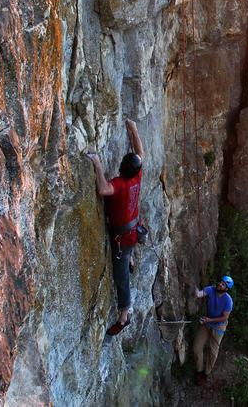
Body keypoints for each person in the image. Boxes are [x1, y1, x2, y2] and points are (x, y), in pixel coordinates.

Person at [86, 118, 145, 336]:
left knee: (121, 278)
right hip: (132, 230)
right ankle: (130, 259)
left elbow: (103, 190)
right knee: (127, 253)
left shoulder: (120, 184)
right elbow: (140, 153)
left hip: (123, 237)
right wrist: (133, 129)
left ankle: (124, 316)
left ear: (122, 168)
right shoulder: (137, 176)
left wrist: (97, 163)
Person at [192, 276, 234, 385]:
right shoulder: (211, 289)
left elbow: (224, 317)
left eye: (223, 284)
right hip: (207, 322)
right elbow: (200, 294)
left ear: (226, 289)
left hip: (219, 326)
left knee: (213, 352)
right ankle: (199, 370)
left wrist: (209, 320)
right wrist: (195, 289)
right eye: (220, 282)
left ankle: (206, 374)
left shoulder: (228, 301)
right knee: (197, 347)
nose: (220, 284)